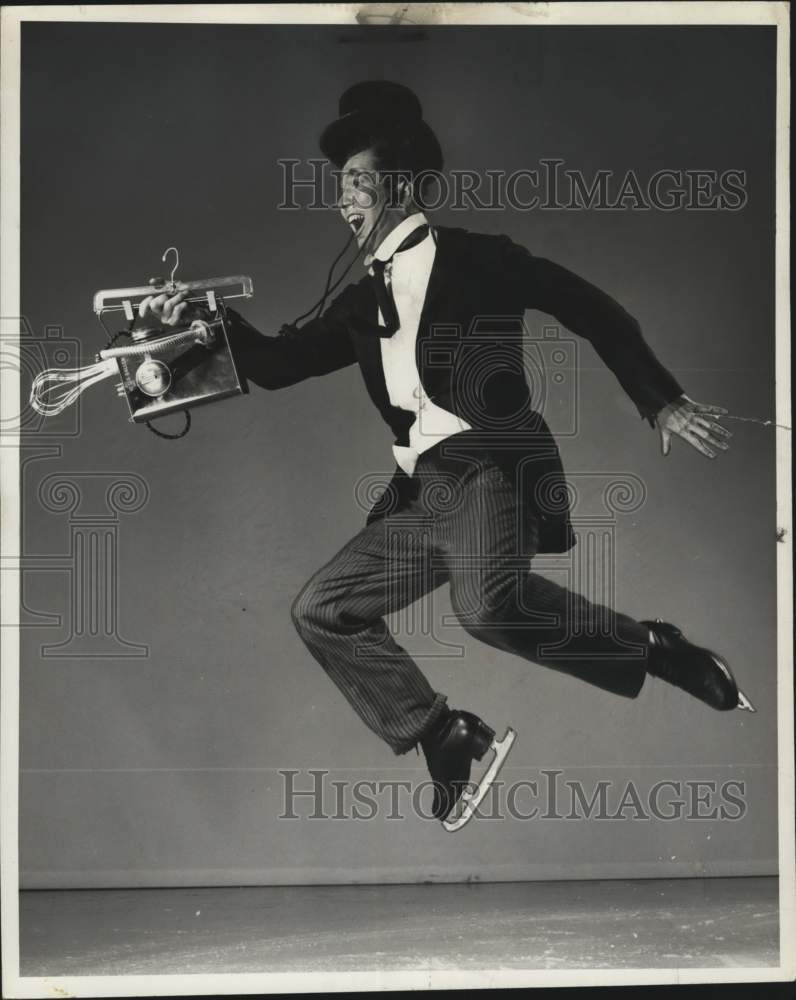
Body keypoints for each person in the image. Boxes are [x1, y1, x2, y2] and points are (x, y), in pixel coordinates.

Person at [139, 81, 754, 831]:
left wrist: (660, 398)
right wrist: (205, 324)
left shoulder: (479, 261)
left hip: (489, 468)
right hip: (422, 493)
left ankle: (654, 648)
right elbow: (277, 364)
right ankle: (444, 733)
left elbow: (593, 308)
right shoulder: (359, 301)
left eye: (357, 182)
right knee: (323, 610)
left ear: (400, 185)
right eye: (338, 188)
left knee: (487, 607)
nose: (343, 202)